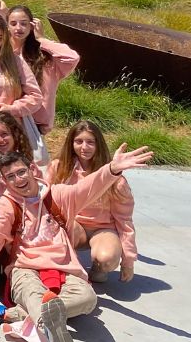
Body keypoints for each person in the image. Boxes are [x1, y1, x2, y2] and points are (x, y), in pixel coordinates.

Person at [0, 146, 154, 342]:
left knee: (88, 299)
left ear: (31, 169)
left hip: (65, 269)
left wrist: (112, 170)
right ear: (5, 180)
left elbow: (87, 187)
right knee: (34, 297)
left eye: (21, 172)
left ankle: (14, 316)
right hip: (26, 269)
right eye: (10, 177)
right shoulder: (6, 205)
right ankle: (51, 333)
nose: (18, 180)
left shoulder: (58, 195)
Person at [49, 121, 137, 283]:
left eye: (90, 142)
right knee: (57, 233)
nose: (84, 147)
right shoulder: (59, 168)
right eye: (79, 141)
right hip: (73, 224)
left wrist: (128, 260)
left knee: (106, 259)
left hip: (103, 229)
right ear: (71, 143)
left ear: (99, 144)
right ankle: (64, 266)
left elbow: (125, 220)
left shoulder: (116, 179)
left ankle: (98, 268)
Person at [4, 5, 79, 133]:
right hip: (8, 118)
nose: (18, 28)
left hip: (36, 123)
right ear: (7, 27)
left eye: (24, 23)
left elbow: (72, 57)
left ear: (32, 26)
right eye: (13, 23)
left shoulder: (45, 57)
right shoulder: (4, 54)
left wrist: (41, 39)